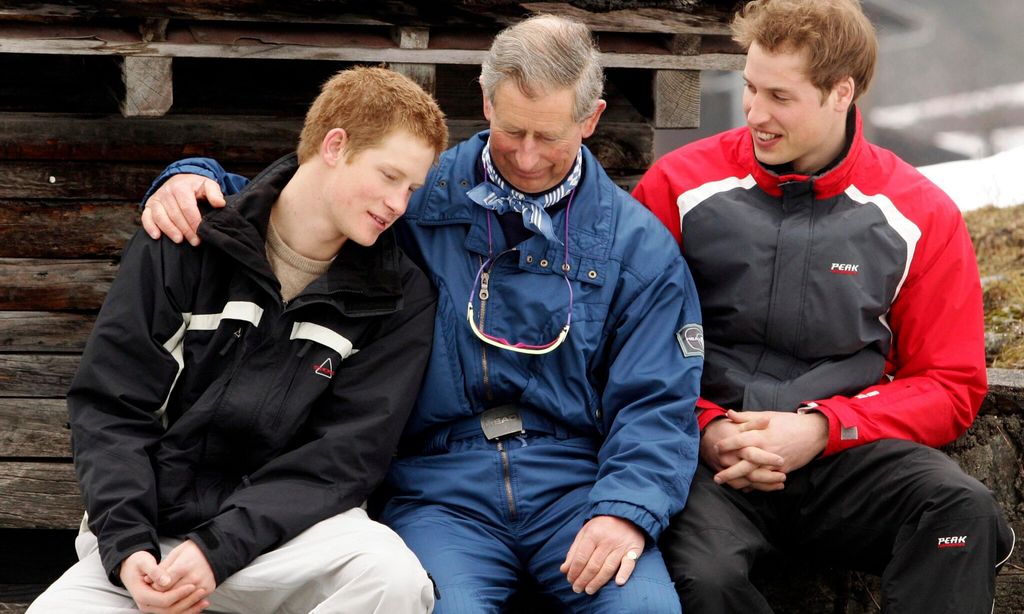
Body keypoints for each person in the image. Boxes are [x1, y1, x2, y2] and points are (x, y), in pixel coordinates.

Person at [136, 14, 704, 613]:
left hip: (577, 485)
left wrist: (623, 511)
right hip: (438, 486)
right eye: (513, 131)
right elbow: (304, 196)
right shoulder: (415, 194)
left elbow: (658, 400)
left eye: (552, 136)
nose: (530, 158)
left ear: (591, 119)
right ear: (485, 100)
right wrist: (192, 177)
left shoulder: (637, 248)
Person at [632, 0, 1015, 612]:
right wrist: (708, 429)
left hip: (844, 455)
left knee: (960, 514)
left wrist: (822, 428)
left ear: (841, 92)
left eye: (779, 97)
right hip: (706, 460)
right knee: (704, 580)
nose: (755, 113)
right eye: (750, 88)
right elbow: (629, 347)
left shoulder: (920, 214)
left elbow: (950, 384)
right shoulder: (679, 187)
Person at [28, 66, 448, 614]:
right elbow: (111, 408)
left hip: (289, 541)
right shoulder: (184, 242)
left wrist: (218, 549)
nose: (399, 204)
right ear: (335, 145)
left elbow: (343, 458)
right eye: (390, 176)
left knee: (391, 579)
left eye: (412, 188)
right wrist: (129, 548)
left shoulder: (398, 296)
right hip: (154, 532)